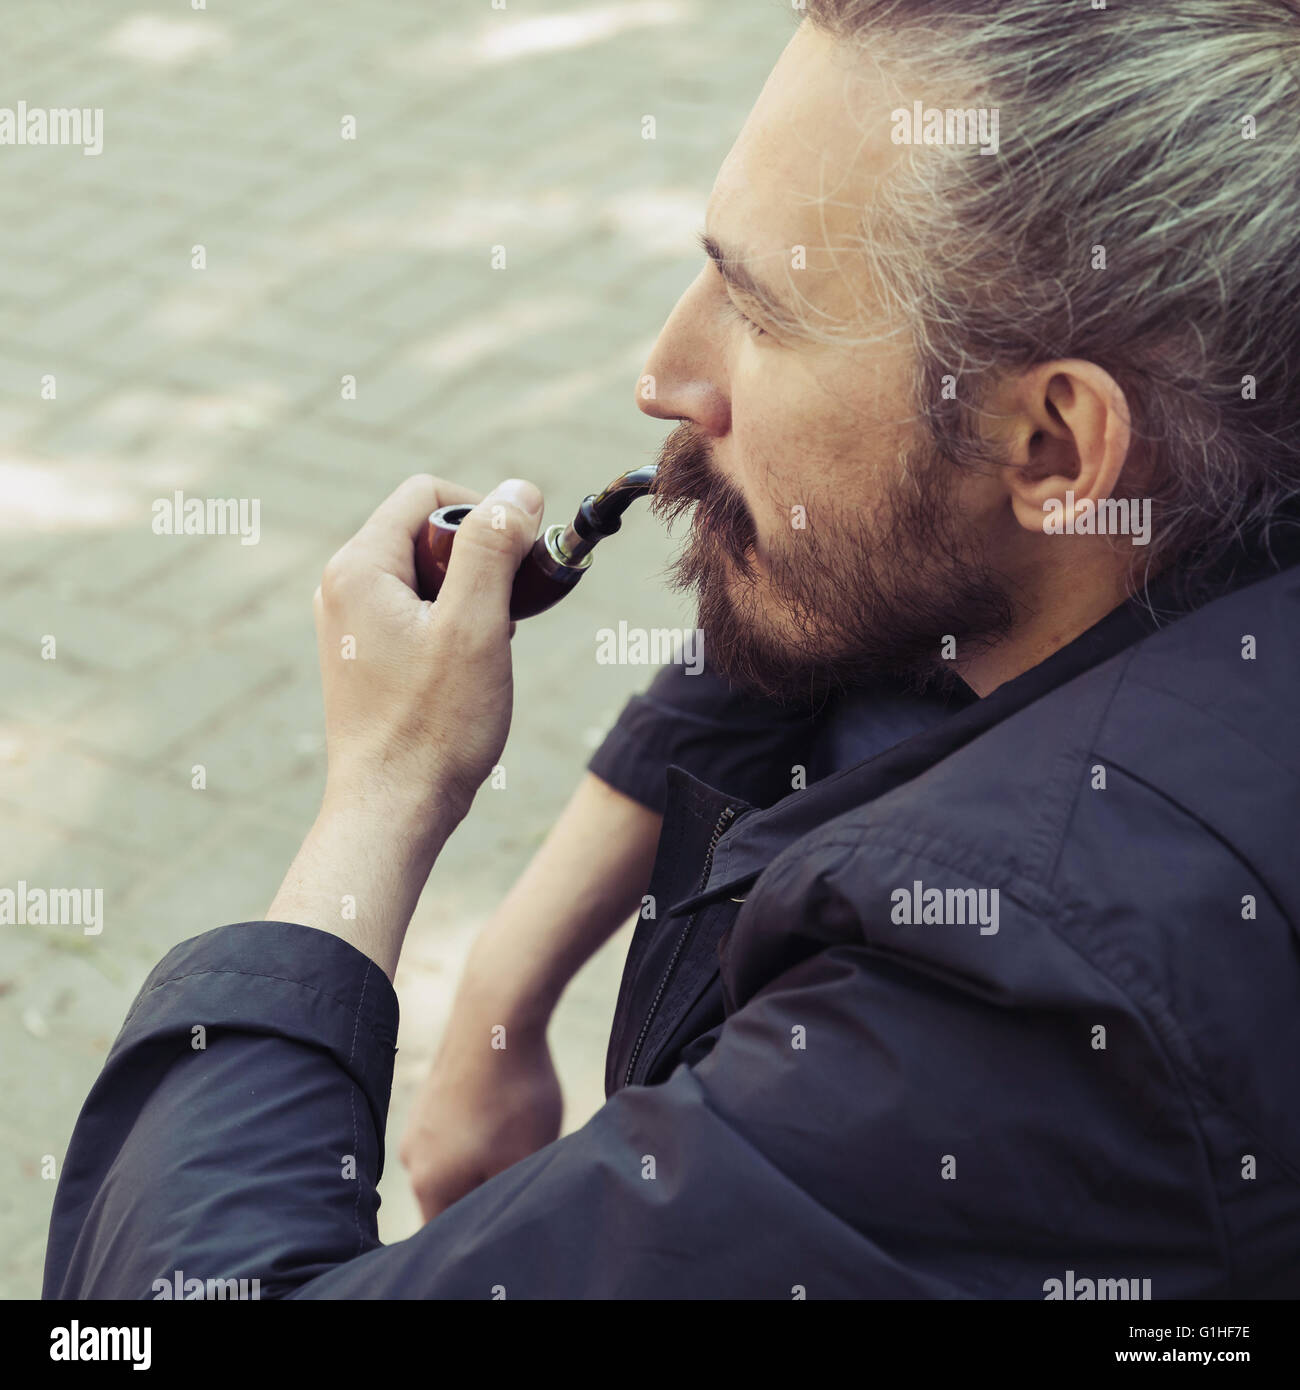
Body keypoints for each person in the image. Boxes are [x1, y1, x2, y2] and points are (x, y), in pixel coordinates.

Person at [45, 2, 1300, 1298]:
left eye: (764, 309)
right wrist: (507, 982)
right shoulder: (1155, 531)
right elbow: (824, 602)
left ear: (1053, 443)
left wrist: (382, 790)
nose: (664, 372)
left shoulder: (1019, 1010)